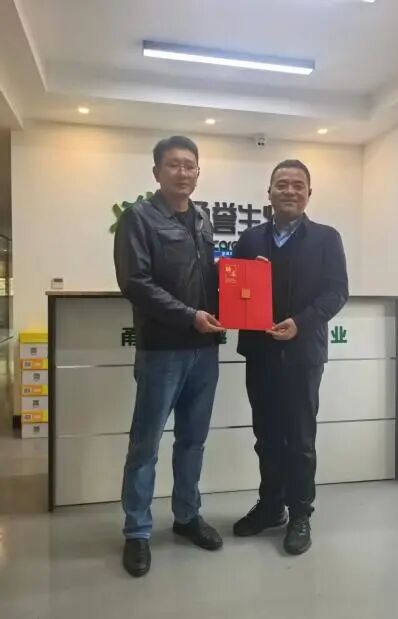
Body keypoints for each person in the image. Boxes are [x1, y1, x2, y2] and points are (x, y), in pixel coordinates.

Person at [114, 136, 224, 578]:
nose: (183, 172)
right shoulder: (138, 218)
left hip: (205, 350)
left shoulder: (202, 218)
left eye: (189, 165)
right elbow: (135, 282)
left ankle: (186, 516)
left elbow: (207, 278)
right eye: (174, 164)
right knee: (146, 444)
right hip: (162, 350)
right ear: (156, 172)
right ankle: (137, 530)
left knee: (193, 440)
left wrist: (241, 289)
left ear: (198, 173)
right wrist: (189, 316)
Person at [232, 159, 348, 555]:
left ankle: (300, 514)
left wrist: (301, 323)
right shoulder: (250, 240)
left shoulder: (326, 238)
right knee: (266, 436)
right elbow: (233, 290)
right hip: (260, 352)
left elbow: (337, 292)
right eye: (281, 184)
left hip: (303, 353)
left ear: (309, 193)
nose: (290, 191)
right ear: (269, 193)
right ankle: (271, 506)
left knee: (299, 438)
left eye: (298, 185)